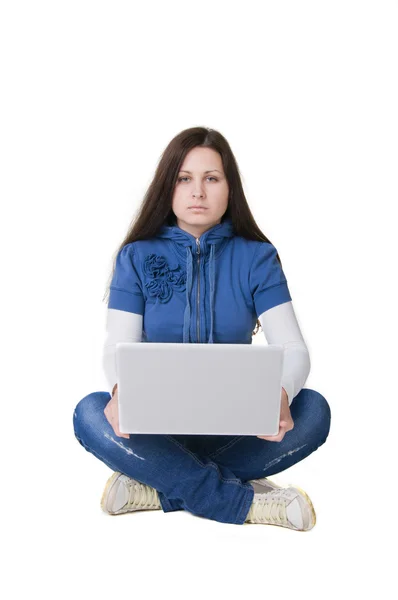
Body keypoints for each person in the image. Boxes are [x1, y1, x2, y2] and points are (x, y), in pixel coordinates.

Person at [73, 126, 331, 531]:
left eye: (211, 178)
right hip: (155, 432)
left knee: (313, 409)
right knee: (89, 412)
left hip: (239, 430)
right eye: (184, 179)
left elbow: (293, 347)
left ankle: (160, 486)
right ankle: (247, 503)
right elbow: (117, 345)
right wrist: (121, 392)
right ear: (168, 187)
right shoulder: (136, 257)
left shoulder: (257, 258)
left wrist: (281, 394)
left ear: (230, 188)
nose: (198, 192)